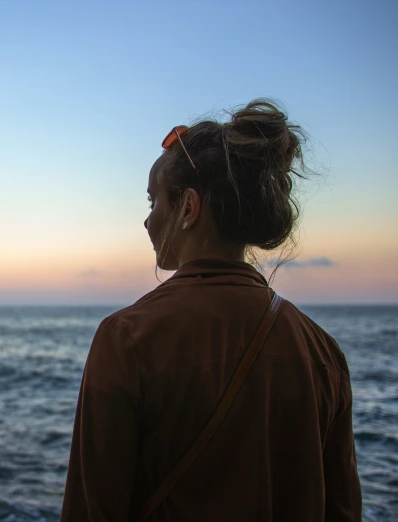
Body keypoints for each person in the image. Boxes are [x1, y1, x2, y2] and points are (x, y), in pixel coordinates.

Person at [60, 100, 362, 522]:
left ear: (188, 207)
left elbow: (92, 511)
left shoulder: (126, 338)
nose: (147, 223)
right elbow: (343, 510)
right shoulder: (323, 352)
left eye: (153, 202)